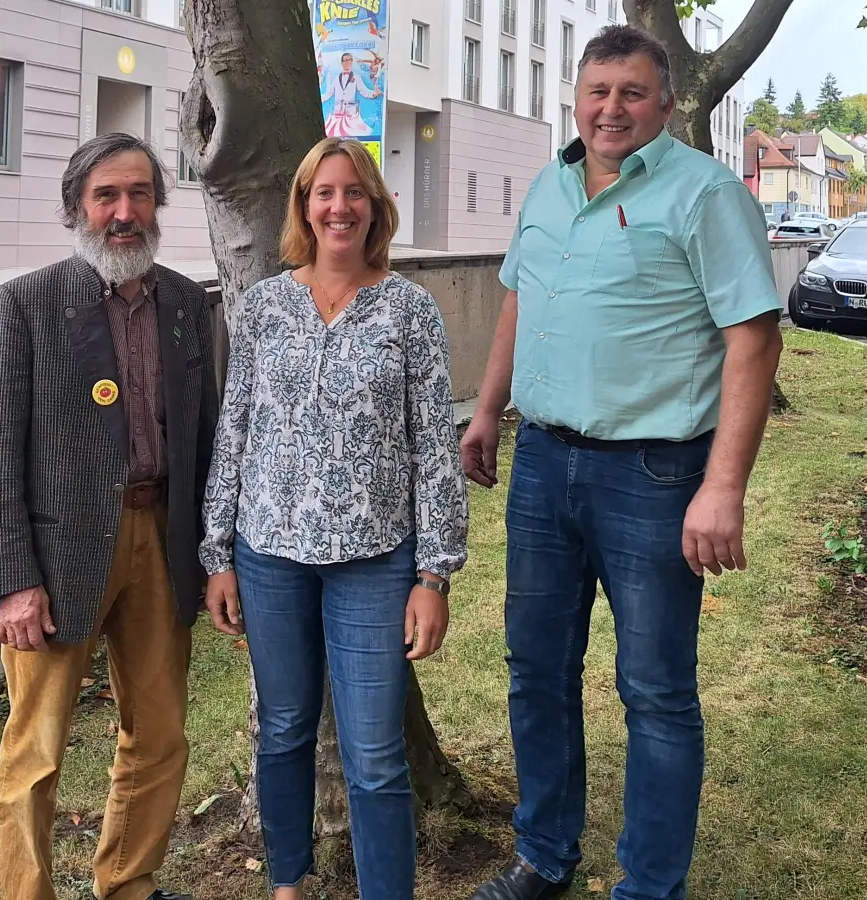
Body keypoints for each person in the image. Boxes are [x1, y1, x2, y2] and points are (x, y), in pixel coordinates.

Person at [462, 25, 783, 900]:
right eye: (598, 91)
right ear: (575, 98)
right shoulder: (549, 185)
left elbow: (753, 340)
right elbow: (520, 303)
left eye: (632, 93)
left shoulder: (705, 194)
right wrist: (489, 411)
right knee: (535, 669)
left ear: (665, 104)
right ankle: (543, 856)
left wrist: (724, 488)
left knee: (655, 691)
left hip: (655, 475)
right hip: (542, 468)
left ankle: (648, 884)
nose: (612, 109)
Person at [200, 136, 468, 900]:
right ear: (304, 206)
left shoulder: (409, 310)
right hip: (269, 554)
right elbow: (236, 429)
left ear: (374, 206)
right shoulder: (263, 307)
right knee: (284, 731)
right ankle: (289, 884)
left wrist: (434, 574)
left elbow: (432, 448)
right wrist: (217, 554)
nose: (339, 206)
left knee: (375, 752)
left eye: (354, 192)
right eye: (324, 192)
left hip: (375, 561)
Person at [0, 132, 218, 900]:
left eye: (139, 194)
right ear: (78, 205)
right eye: (107, 196)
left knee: (161, 734)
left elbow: (204, 434)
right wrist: (12, 581)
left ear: (158, 206)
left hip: (161, 539)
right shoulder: (26, 304)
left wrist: (211, 553)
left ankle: (129, 882)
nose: (124, 212)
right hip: (57, 557)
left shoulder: (183, 302)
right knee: (36, 750)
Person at [322, 52, 381, 138]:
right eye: (346, 60)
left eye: (350, 60)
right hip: (337, 114)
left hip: (351, 114)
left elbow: (364, 91)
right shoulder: (336, 78)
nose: (348, 62)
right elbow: (329, 93)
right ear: (342, 63)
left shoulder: (357, 77)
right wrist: (319, 99)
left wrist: (374, 94)